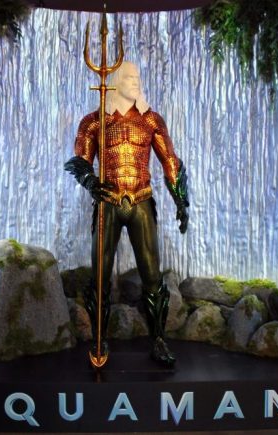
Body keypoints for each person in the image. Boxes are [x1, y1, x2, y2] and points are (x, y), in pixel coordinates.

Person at [64, 62, 189, 367]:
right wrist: (90, 180)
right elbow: (79, 160)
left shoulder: (151, 120)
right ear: (116, 82)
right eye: (129, 77)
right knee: (100, 275)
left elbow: (170, 161)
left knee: (152, 275)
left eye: (137, 77)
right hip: (107, 203)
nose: (136, 82)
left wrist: (181, 201)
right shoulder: (94, 121)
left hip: (141, 200)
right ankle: (99, 339)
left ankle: (158, 339)